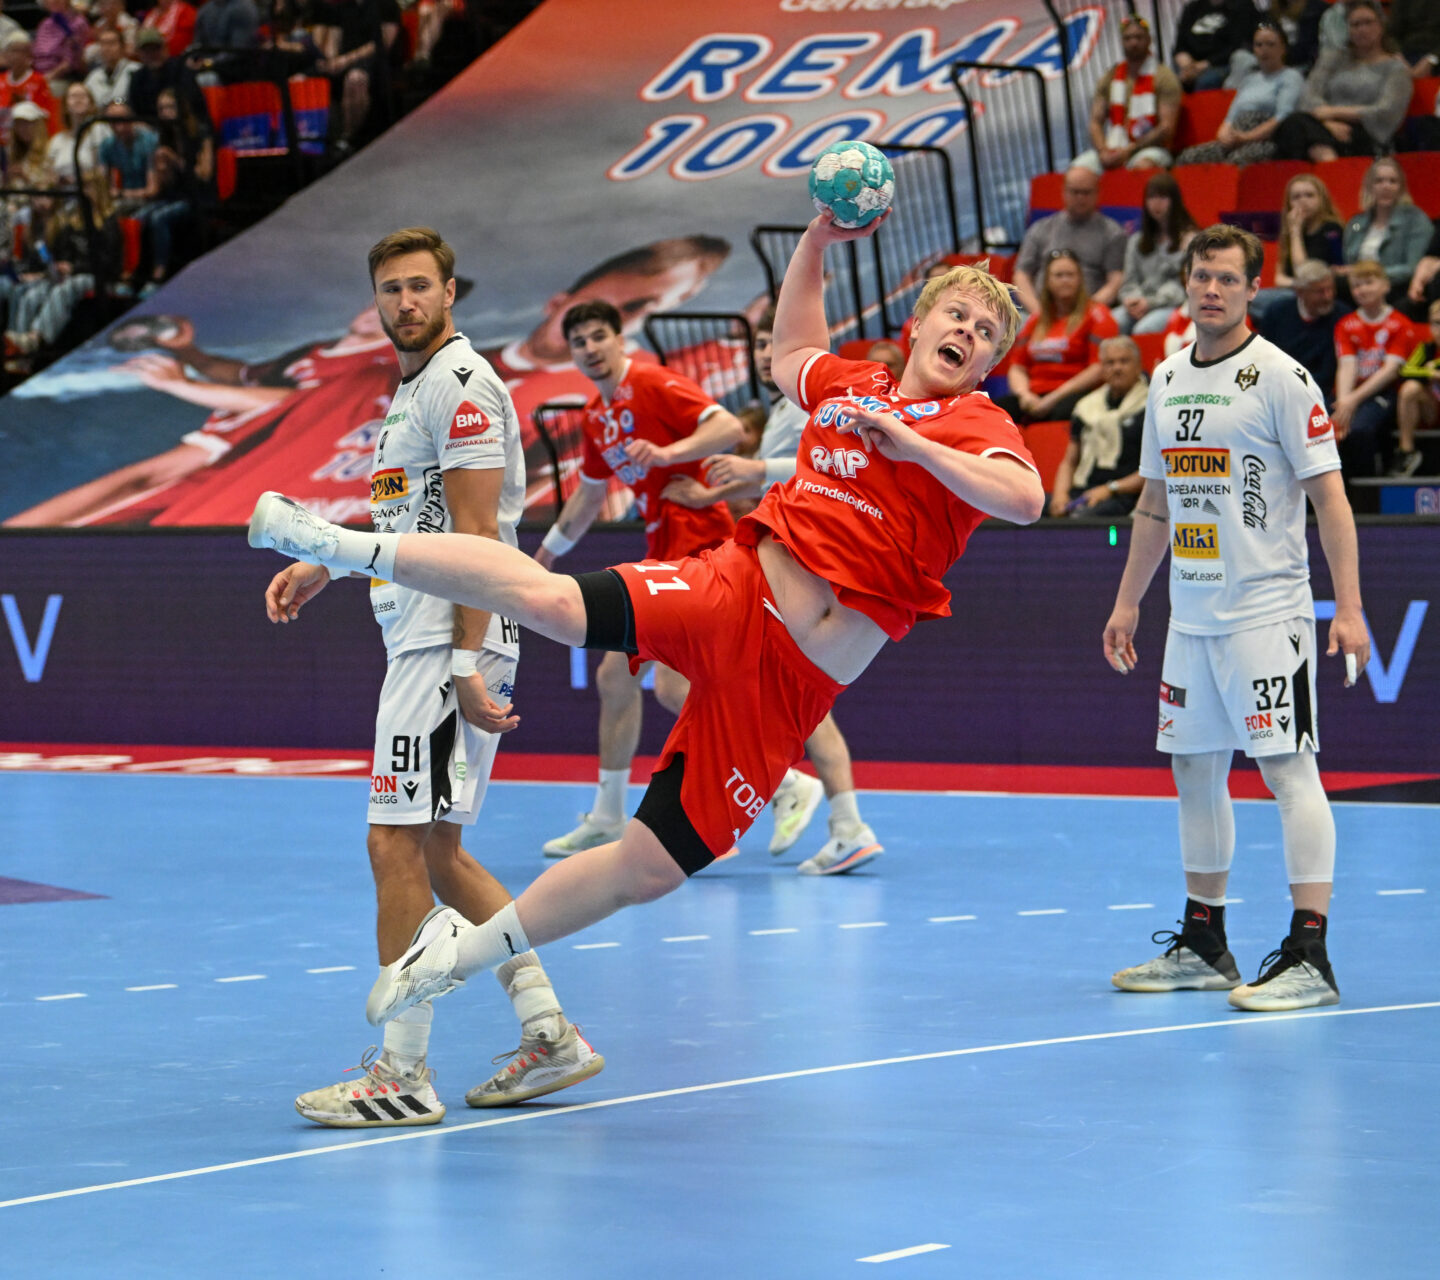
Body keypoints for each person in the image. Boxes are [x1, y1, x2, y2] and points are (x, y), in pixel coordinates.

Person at [245, 213, 1045, 1032]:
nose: (967, 332)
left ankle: (453, 959)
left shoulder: (975, 424)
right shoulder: (851, 386)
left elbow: (1026, 499)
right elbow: (791, 354)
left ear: (988, 364)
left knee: (649, 868)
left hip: (789, 686)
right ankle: (332, 542)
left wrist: (916, 448)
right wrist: (814, 240)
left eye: (985, 333)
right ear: (918, 324)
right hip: (734, 592)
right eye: (957, 315)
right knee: (555, 606)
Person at [261, 227, 601, 1127]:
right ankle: (550, 1033)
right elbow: (414, 519)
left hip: (443, 644)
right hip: (430, 636)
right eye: (390, 289)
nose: (404, 302)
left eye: (419, 286)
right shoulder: (415, 388)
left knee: (394, 845)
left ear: (450, 292)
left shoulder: (460, 384)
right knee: (440, 854)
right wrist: (326, 565)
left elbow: (476, 540)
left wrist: (461, 664)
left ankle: (402, 1073)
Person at [1104, 222, 1369, 1013]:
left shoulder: (1282, 378)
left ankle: (1311, 956)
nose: (1212, 289)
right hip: (1191, 618)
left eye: (1227, 278)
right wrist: (1128, 600)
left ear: (1254, 289)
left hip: (1266, 612)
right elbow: (1155, 504)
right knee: (1193, 770)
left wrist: (1350, 608)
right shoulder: (1165, 377)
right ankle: (1205, 944)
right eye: (1201, 276)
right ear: (1184, 283)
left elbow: (1331, 501)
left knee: (1288, 771)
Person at [670, 306, 887, 873]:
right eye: (761, 344)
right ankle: (840, 822)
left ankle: (779, 800)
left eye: (775, 342)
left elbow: (832, 467)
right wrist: (723, 491)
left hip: (807, 559)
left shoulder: (816, 402)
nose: (767, 353)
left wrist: (754, 469)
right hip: (796, 555)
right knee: (795, 695)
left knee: (777, 690)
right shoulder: (781, 409)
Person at [530, 299, 743, 859]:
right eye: (580, 342)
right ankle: (607, 816)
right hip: (664, 549)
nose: (590, 349)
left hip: (702, 546)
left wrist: (670, 454)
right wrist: (543, 558)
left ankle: (775, 784)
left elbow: (728, 427)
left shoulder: (651, 382)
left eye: (599, 336)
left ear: (620, 339)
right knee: (616, 676)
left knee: (670, 685)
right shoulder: (595, 417)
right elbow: (588, 498)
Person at [1273, 0, 1411, 163]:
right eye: (1355, 24)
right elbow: (1309, 96)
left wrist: (1334, 112)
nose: (1362, 29)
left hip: (1366, 133)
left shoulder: (1395, 68)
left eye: (1368, 22)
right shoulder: (1333, 59)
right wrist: (1328, 123)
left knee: (1298, 129)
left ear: (1381, 26)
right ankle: (1329, 164)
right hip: (1322, 126)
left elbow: (1386, 111)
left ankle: (1328, 167)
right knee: (1292, 124)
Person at [998, 249, 1118, 424]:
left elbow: (1098, 368)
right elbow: (1018, 367)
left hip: (1074, 393)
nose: (1065, 280)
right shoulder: (1036, 320)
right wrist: (1024, 395)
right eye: (1058, 275)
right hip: (1034, 394)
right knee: (997, 412)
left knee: (1065, 410)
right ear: (1048, 281)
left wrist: (1053, 398)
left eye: (1070, 275)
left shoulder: (1098, 315)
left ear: (1080, 279)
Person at [1174, 20, 1303, 166]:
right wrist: (1224, 134)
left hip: (1268, 139)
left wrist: (1246, 137)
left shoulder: (1290, 76)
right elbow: (1230, 117)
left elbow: (1282, 117)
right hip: (1235, 137)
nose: (1264, 50)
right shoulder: (1249, 79)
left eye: (1270, 44)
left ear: (1283, 48)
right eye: (1259, 45)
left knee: (1236, 161)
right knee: (1188, 157)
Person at [1333, 258, 1416, 477]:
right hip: (1352, 391)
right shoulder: (1345, 324)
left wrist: (1352, 400)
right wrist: (1343, 403)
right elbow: (1347, 365)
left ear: (1385, 285)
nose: (1362, 290)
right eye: (1356, 285)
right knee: (1325, 424)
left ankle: (1365, 487)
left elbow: (1390, 371)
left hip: (1384, 392)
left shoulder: (1400, 323)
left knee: (1360, 429)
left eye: (1368, 283)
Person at [1047, 335, 1146, 517]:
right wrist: (1060, 496)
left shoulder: (1151, 406)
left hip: (1124, 495)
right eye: (1110, 363)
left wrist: (1110, 489)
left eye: (1124, 361)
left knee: (1082, 518)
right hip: (1082, 490)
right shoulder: (1086, 406)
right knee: (1029, 509)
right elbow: (1070, 461)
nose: (1117, 368)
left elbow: (1156, 470)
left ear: (1139, 366)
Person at [1012, 166, 1126, 318]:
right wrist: (1038, 312)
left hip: (1090, 314)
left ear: (1098, 193)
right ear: (1064, 192)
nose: (1080, 198)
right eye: (1075, 192)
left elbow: (1116, 280)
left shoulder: (1113, 233)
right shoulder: (1040, 229)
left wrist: (1086, 313)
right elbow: (1021, 275)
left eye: (1086, 192)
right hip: (1041, 312)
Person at [1073, 15, 1181, 174]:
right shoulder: (1110, 77)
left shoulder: (1164, 76)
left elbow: (1166, 128)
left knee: (1142, 167)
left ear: (1149, 40)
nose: (1133, 43)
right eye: (1128, 38)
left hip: (1151, 149)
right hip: (1113, 147)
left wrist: (1129, 151)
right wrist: (1103, 151)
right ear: (1122, 42)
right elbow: (1095, 122)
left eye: (1138, 37)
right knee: (1078, 172)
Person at [1256, 261, 1353, 407]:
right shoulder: (1276, 312)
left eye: (1331, 289)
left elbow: (1329, 374)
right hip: (1276, 388)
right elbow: (1263, 357)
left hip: (1318, 394)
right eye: (1320, 292)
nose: (1328, 296)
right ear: (1300, 292)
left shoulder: (1343, 316)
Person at [1340, 157, 1433, 304]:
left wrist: (1369, 274)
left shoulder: (1416, 220)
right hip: (1357, 287)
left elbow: (1412, 267)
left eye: (1392, 181)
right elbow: (1348, 258)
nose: (1386, 186)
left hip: (1395, 288)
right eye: (1379, 181)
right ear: (1369, 186)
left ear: (1401, 187)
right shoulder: (1357, 223)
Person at [1115, 171, 1197, 336]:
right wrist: (1133, 301)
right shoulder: (1136, 241)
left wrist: (1150, 302)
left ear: (1175, 201)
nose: (1156, 203)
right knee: (1112, 322)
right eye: (1151, 197)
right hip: (1139, 302)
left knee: (1144, 329)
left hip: (1173, 304)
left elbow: (1183, 286)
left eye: (1163, 197)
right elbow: (1129, 281)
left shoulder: (1190, 240)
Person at [1392, 298, 1440, 477]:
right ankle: (1407, 452)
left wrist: (1435, 366)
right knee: (1409, 388)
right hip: (1432, 409)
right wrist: (1431, 373)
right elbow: (1405, 370)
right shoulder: (1427, 347)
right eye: (1436, 323)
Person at [1172, 0, 1261, 91]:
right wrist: (1188, 66)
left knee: (1206, 81)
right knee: (1171, 82)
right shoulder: (1192, 8)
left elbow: (1237, 46)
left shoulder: (1241, 6)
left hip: (1223, 63)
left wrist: (1204, 64)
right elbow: (1180, 46)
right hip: (1192, 64)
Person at [0, 33, 62, 135]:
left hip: (28, 137)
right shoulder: (1, 80)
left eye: (20, 51)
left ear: (29, 56)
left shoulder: (38, 81)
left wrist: (26, 104)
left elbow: (46, 116)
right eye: (12, 51)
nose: (16, 56)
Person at [33, 0, 91, 89]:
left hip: (63, 77)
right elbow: (35, 54)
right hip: (38, 74)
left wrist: (46, 78)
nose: (53, 1)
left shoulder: (78, 23)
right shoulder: (45, 24)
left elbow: (69, 63)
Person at [1388, 0, 1440, 76]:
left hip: (1436, 56)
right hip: (1405, 55)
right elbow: (1391, 34)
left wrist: (1432, 59)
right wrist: (1399, 58)